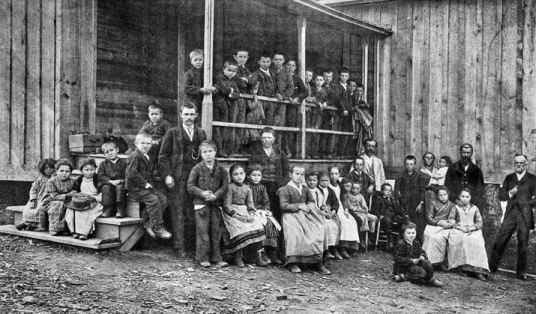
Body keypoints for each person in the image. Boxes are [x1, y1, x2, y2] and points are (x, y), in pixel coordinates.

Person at [159, 102, 207, 256]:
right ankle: (179, 246)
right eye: (186, 114)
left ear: (196, 115)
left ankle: (194, 245)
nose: (189, 117)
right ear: (180, 115)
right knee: (177, 210)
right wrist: (167, 175)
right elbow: (163, 156)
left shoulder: (201, 133)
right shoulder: (172, 133)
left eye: (192, 114)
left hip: (195, 178)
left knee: (194, 209)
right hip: (178, 177)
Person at [277, 165, 331, 275]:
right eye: (297, 174)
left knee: (319, 227)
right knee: (295, 231)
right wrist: (299, 206)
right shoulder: (285, 189)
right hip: (290, 215)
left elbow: (311, 201)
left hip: (305, 214)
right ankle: (293, 262)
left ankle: (318, 262)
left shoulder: (305, 189)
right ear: (290, 175)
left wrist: (310, 207)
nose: (299, 176)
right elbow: (283, 206)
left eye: (301, 174)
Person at [490, 154, 536, 280]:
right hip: (511, 213)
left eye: (521, 163)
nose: (519, 165)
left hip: (525, 215)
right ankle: (492, 267)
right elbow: (501, 196)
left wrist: (530, 202)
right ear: (514, 164)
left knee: (523, 243)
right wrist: (511, 192)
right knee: (500, 239)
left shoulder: (532, 179)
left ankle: (521, 273)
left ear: (526, 165)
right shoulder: (509, 178)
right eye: (516, 163)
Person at [187, 140, 229, 268]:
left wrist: (216, 195)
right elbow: (190, 186)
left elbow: (225, 185)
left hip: (216, 204)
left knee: (216, 231)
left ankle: (216, 258)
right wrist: (203, 193)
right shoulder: (197, 168)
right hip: (201, 205)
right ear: (200, 154)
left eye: (210, 151)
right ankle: (202, 258)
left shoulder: (221, 169)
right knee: (202, 231)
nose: (208, 154)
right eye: (204, 152)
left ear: (215, 152)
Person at [126, 133, 172, 240]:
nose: (146, 146)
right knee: (154, 200)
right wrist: (145, 183)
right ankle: (157, 227)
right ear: (136, 144)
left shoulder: (147, 156)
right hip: (135, 189)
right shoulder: (134, 156)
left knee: (163, 199)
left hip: (146, 187)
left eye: (148, 144)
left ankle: (149, 223)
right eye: (143, 143)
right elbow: (132, 173)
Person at [222, 164, 267, 267]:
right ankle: (238, 256)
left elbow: (250, 205)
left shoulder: (247, 188)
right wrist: (238, 217)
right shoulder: (230, 188)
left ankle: (256, 255)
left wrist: (251, 214)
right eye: (236, 174)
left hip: (245, 211)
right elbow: (227, 206)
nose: (239, 176)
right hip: (232, 214)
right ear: (231, 176)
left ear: (245, 175)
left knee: (257, 224)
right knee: (241, 227)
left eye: (241, 173)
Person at [247, 127, 290, 221]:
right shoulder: (255, 152)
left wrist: (282, 186)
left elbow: (287, 171)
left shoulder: (280, 153)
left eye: (269, 137)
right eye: (264, 137)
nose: (266, 140)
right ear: (261, 139)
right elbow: (250, 169)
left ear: (273, 139)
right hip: (261, 184)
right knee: (263, 209)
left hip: (277, 185)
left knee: (277, 209)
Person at [448, 189, 489, 281]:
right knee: (463, 240)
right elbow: (451, 221)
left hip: (471, 229)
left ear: (470, 198)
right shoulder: (455, 208)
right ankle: (463, 268)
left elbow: (479, 222)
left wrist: (471, 228)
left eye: (467, 197)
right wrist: (460, 227)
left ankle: (478, 270)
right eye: (463, 196)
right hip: (459, 229)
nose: (465, 199)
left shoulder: (475, 208)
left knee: (477, 242)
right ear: (459, 196)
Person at [247, 164, 282, 265]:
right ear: (248, 176)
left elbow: (266, 201)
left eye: (259, 175)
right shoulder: (246, 187)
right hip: (250, 212)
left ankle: (271, 251)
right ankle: (259, 252)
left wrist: (266, 210)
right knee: (259, 224)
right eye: (254, 175)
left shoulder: (262, 188)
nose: (256, 177)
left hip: (261, 211)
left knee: (272, 223)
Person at [393, 222, 444, 287]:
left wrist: (422, 256)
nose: (411, 235)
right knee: (421, 273)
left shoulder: (416, 243)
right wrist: (411, 261)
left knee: (427, 263)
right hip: (403, 267)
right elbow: (397, 258)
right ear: (403, 234)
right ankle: (403, 276)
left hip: (414, 266)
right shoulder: (401, 244)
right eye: (408, 233)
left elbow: (422, 252)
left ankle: (430, 279)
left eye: (413, 233)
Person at [65, 158, 103, 240]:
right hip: (82, 200)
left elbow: (102, 196)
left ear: (95, 169)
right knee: (71, 210)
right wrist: (77, 195)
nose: (89, 172)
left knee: (86, 211)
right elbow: (75, 191)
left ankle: (84, 233)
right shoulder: (79, 180)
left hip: (95, 201)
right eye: (86, 170)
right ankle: (74, 231)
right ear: (82, 171)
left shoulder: (98, 180)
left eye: (92, 169)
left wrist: (91, 196)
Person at [306, 171, 341, 261]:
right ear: (306, 181)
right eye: (309, 180)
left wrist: (326, 211)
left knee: (332, 225)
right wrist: (322, 213)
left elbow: (322, 204)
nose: (312, 182)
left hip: (320, 213)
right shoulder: (306, 190)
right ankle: (323, 251)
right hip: (310, 214)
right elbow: (310, 206)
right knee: (324, 225)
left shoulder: (319, 191)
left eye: (314, 180)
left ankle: (330, 249)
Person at [394, 155, 430, 244]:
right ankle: (404, 244)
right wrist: (397, 202)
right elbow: (396, 190)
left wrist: (421, 203)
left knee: (417, 224)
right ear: (404, 164)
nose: (409, 166)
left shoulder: (419, 175)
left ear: (415, 165)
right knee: (406, 223)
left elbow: (422, 190)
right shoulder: (401, 175)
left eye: (411, 164)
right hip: (404, 203)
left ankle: (417, 245)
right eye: (407, 164)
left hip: (416, 203)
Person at [422, 186, 456, 269]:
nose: (443, 197)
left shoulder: (452, 205)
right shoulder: (433, 203)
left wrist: (449, 223)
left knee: (438, 238)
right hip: (434, 225)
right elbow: (429, 218)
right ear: (437, 196)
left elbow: (452, 218)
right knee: (429, 236)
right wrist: (438, 222)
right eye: (440, 195)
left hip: (445, 227)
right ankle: (426, 261)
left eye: (445, 194)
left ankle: (438, 262)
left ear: (448, 195)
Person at [17, 158, 56, 231]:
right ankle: (26, 223)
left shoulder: (55, 178)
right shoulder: (40, 179)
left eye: (51, 168)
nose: (49, 170)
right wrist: (33, 199)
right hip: (38, 198)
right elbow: (33, 189)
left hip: (48, 198)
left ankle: (36, 225)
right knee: (29, 207)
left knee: (40, 207)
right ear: (42, 169)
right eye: (46, 168)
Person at [329, 165, 360, 256]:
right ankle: (337, 248)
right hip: (332, 207)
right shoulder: (327, 184)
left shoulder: (340, 185)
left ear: (339, 174)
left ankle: (347, 248)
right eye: (332, 174)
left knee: (351, 221)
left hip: (341, 207)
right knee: (342, 222)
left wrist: (346, 209)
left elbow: (344, 198)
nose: (334, 176)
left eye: (336, 174)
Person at [213, 59, 240, 157]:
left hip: (226, 106)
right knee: (217, 128)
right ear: (224, 69)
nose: (231, 73)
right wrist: (230, 90)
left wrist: (230, 94)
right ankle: (218, 149)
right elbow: (223, 89)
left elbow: (237, 94)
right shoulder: (219, 78)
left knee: (223, 128)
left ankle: (222, 149)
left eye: (234, 71)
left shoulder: (232, 82)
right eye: (229, 70)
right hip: (217, 105)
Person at [444, 143, 485, 208]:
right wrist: (455, 200)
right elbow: (447, 187)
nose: (466, 155)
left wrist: (471, 202)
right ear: (460, 153)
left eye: (468, 153)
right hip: (455, 204)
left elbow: (480, 190)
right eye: (464, 152)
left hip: (471, 204)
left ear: (471, 154)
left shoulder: (477, 171)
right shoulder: (452, 168)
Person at [233, 49, 257, 156]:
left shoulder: (247, 70)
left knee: (242, 125)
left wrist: (246, 80)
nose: (242, 59)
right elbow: (236, 81)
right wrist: (245, 81)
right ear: (235, 57)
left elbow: (254, 81)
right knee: (235, 123)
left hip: (244, 101)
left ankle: (239, 148)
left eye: (244, 57)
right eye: (240, 56)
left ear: (247, 58)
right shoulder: (233, 68)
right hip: (236, 100)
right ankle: (233, 149)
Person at [282, 58, 307, 158]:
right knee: (281, 127)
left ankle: (289, 151)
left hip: (292, 108)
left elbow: (305, 92)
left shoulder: (297, 79)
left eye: (293, 66)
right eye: (289, 65)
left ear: (296, 68)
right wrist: (288, 98)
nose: (290, 67)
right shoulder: (281, 76)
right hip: (282, 105)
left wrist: (297, 98)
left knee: (291, 128)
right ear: (285, 66)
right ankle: (283, 150)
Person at [45, 159, 78, 236]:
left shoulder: (73, 181)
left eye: (67, 171)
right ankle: (55, 228)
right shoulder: (51, 181)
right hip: (52, 202)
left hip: (67, 200)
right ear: (56, 171)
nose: (64, 173)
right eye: (61, 171)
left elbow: (75, 192)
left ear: (71, 172)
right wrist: (67, 195)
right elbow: (54, 196)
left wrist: (73, 194)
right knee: (58, 205)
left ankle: (66, 229)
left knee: (71, 207)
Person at [371, 183, 408, 250]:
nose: (388, 192)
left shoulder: (393, 200)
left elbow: (399, 209)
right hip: (385, 215)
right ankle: (390, 239)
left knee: (404, 219)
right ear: (382, 191)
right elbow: (375, 210)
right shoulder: (379, 199)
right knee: (388, 220)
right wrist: (379, 216)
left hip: (394, 216)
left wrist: (404, 214)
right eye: (386, 190)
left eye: (390, 190)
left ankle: (401, 240)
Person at [138, 101, 170, 179]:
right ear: (149, 115)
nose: (154, 116)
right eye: (152, 114)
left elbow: (168, 135)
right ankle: (145, 168)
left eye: (156, 114)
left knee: (155, 150)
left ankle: (156, 169)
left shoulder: (164, 123)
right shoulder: (147, 124)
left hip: (161, 144)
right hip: (149, 143)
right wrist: (146, 140)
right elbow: (141, 134)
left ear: (161, 115)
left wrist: (158, 141)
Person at [183, 49, 216, 124]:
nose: (198, 62)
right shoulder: (189, 74)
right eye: (195, 60)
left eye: (200, 59)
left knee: (200, 120)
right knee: (190, 119)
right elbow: (186, 88)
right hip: (191, 100)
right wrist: (199, 90)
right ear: (191, 61)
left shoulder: (206, 72)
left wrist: (213, 88)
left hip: (202, 100)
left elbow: (215, 82)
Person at [97, 142, 127, 218]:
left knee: (120, 188)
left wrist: (121, 180)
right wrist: (111, 181)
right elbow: (101, 175)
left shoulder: (124, 162)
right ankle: (108, 208)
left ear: (117, 149)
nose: (110, 153)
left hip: (121, 184)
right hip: (109, 184)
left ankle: (120, 208)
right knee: (105, 188)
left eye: (111, 150)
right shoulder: (103, 164)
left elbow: (128, 175)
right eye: (107, 152)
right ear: (104, 155)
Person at [271, 53, 294, 147]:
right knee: (269, 124)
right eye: (276, 59)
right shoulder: (270, 70)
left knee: (279, 125)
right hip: (270, 101)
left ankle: (277, 148)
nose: (278, 61)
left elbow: (291, 88)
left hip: (281, 103)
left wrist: (283, 96)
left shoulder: (287, 72)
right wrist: (274, 94)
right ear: (272, 60)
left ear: (283, 61)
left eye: (280, 60)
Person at [306, 74, 328, 159]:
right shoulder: (311, 89)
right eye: (317, 80)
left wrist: (326, 102)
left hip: (320, 114)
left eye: (321, 80)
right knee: (309, 132)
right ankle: (307, 152)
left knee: (316, 133)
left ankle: (314, 152)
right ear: (314, 81)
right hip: (312, 112)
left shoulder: (324, 91)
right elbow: (310, 98)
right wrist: (317, 102)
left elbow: (327, 99)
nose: (319, 82)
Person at [320, 69, 339, 158]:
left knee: (332, 133)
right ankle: (322, 151)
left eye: (329, 77)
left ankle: (330, 152)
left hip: (332, 113)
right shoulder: (320, 86)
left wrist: (333, 114)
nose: (327, 78)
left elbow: (335, 100)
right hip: (322, 113)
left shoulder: (334, 88)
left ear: (332, 78)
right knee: (323, 133)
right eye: (325, 76)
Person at [351, 83, 373, 155]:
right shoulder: (351, 99)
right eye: (357, 91)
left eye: (360, 91)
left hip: (362, 123)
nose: (358, 93)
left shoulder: (363, 101)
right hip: (354, 121)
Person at [334, 68, 351, 159]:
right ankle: (334, 152)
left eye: (346, 76)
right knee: (336, 131)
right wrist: (343, 109)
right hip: (339, 112)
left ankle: (341, 152)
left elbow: (349, 100)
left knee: (345, 132)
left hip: (347, 113)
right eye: (342, 76)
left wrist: (349, 109)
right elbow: (338, 99)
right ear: (339, 76)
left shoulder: (348, 87)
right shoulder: (336, 86)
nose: (344, 78)